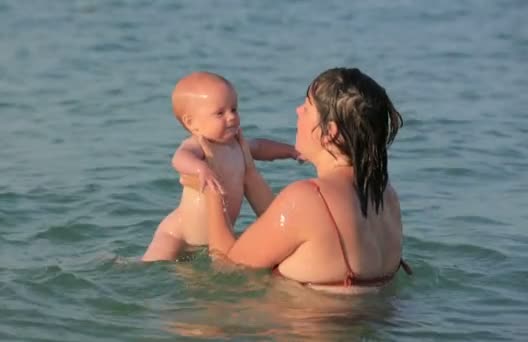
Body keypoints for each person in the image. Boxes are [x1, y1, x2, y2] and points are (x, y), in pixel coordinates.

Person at [196, 67, 412, 293]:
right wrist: (249, 173)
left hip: (308, 326)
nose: (298, 110)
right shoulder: (385, 194)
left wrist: (214, 184)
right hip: (377, 323)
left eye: (308, 107)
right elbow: (293, 230)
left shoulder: (307, 199)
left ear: (330, 132)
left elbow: (227, 268)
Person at [142, 71, 300, 262]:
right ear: (192, 123)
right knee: (155, 263)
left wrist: (290, 151)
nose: (231, 117)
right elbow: (179, 158)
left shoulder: (237, 144)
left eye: (234, 109)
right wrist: (201, 169)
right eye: (220, 113)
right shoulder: (198, 144)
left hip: (212, 239)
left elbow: (261, 147)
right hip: (178, 234)